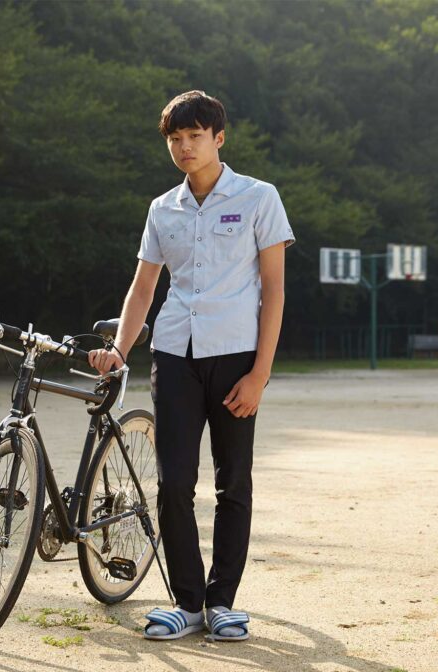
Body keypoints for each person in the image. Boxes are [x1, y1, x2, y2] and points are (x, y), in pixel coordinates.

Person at [88, 90, 295, 641]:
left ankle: (223, 600)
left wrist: (260, 375)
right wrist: (121, 349)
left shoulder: (259, 198)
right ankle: (187, 602)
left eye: (194, 136)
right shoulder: (162, 208)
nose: (184, 147)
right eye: (175, 139)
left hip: (236, 359)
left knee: (234, 483)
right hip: (175, 356)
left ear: (218, 137)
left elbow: (273, 291)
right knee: (174, 482)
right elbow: (144, 288)